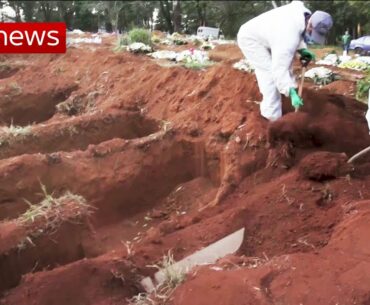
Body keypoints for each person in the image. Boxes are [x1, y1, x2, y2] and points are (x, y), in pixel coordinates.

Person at [237, 1, 333, 121]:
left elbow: (298, 32)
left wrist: (302, 50)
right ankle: (271, 118)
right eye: (312, 32)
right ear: (310, 23)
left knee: (284, 69)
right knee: (269, 75)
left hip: (272, 35)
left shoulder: (303, 16)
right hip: (251, 38)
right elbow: (279, 69)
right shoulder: (288, 36)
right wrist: (291, 92)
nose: (311, 35)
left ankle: (285, 101)